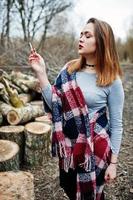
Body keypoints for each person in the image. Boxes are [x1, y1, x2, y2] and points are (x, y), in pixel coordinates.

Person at [29, 17, 124, 200]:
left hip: (96, 150)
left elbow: (117, 125)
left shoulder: (112, 80)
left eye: (87, 35)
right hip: (70, 147)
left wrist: (113, 163)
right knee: (71, 189)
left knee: (93, 194)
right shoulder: (69, 69)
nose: (81, 38)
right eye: (81, 34)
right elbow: (54, 103)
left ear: (102, 42)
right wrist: (41, 73)